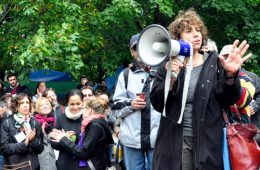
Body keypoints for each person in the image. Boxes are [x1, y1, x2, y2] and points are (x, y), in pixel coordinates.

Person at [150, 9, 252, 170]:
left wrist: (231, 75)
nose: (196, 34)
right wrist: (171, 77)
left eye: (198, 30)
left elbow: (228, 98)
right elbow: (157, 103)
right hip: (174, 141)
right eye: (189, 31)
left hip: (206, 141)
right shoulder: (168, 65)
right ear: (178, 38)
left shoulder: (214, 63)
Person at [112, 33, 161, 170]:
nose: (140, 50)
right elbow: (115, 107)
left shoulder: (162, 72)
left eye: (143, 46)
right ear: (132, 52)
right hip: (131, 139)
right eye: (136, 48)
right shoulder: (125, 75)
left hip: (156, 137)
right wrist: (130, 104)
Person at [50, 95, 114, 170]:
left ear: (90, 110)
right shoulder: (99, 122)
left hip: (92, 166)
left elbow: (83, 153)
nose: (81, 111)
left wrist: (63, 139)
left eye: (82, 108)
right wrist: (74, 137)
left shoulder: (95, 126)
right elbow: (91, 145)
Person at [0, 93, 44, 170]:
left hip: (33, 166)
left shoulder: (35, 123)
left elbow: (40, 149)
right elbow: (4, 148)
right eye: (22, 103)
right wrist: (24, 144)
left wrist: (33, 140)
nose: (25, 105)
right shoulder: (7, 123)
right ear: (16, 106)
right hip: (16, 166)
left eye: (27, 102)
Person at [51, 89, 83, 170]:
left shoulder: (86, 118)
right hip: (65, 164)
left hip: (83, 164)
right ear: (67, 103)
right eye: (72, 104)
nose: (75, 107)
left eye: (78, 104)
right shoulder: (61, 118)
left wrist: (68, 138)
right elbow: (53, 143)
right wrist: (64, 139)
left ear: (83, 102)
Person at [34, 97, 57, 170]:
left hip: (53, 156)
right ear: (37, 108)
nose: (45, 106)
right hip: (41, 157)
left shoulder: (53, 120)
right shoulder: (34, 121)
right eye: (42, 105)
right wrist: (44, 135)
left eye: (47, 104)